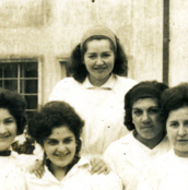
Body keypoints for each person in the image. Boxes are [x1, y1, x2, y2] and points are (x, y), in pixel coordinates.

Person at [48, 25, 136, 157]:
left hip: (118, 163)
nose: (99, 62)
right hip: (72, 164)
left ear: (115, 57)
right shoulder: (64, 88)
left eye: (106, 55)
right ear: (82, 58)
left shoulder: (131, 89)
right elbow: (47, 129)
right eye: (92, 56)